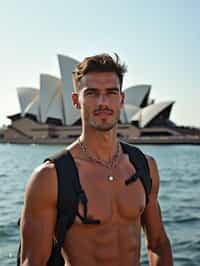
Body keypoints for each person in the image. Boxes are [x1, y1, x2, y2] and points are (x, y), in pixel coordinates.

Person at [20, 53, 173, 266]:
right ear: (76, 101)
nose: (103, 102)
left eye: (111, 93)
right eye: (92, 93)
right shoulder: (50, 178)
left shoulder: (144, 166)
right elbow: (32, 262)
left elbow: (158, 243)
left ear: (121, 99)